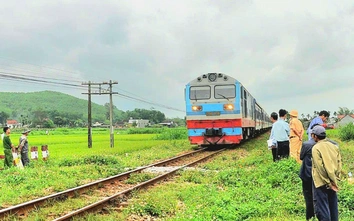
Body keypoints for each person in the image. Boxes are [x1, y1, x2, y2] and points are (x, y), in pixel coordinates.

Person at [311, 125, 342, 221]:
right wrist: (335, 179)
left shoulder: (316, 148)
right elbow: (339, 163)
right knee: (333, 207)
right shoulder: (334, 146)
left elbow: (320, 168)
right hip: (334, 181)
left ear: (315, 136)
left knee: (322, 208)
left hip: (321, 182)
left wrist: (328, 183)